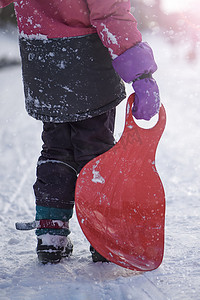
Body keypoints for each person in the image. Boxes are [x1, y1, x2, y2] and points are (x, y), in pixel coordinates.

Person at [0, 0, 160, 264]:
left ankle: (51, 232)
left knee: (56, 147)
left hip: (41, 62)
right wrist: (141, 74)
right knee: (95, 149)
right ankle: (104, 235)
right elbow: (111, 13)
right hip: (87, 62)